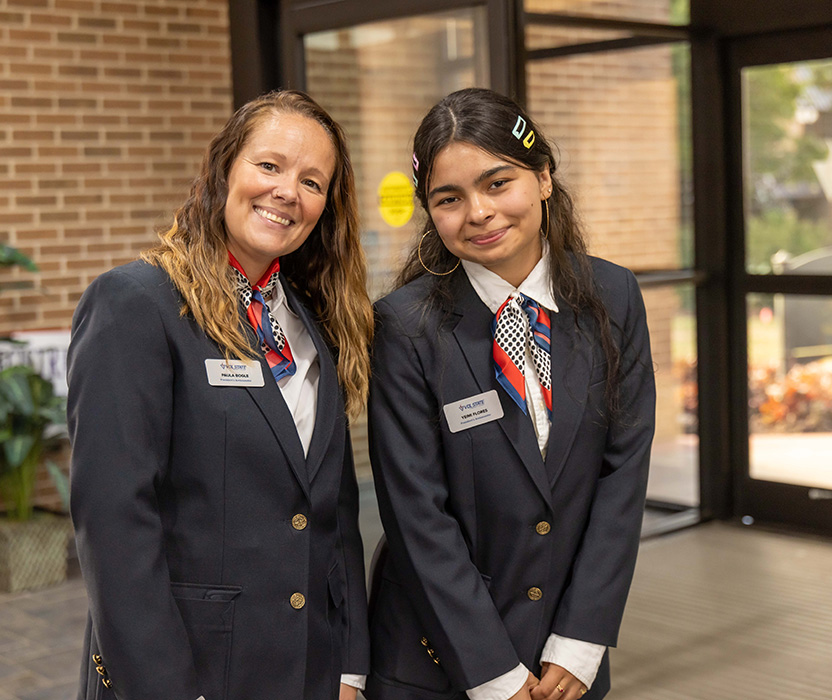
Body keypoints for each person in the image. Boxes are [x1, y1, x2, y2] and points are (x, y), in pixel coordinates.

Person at [68, 90, 372, 700]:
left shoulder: (312, 322)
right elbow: (116, 524)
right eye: (269, 166)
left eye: (313, 181)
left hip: (306, 669)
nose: (289, 191)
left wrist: (348, 667)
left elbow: (332, 516)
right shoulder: (137, 303)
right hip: (189, 672)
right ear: (223, 169)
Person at [365, 88, 655, 700]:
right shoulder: (405, 324)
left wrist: (581, 643)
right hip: (439, 661)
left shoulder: (615, 296)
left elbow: (622, 476)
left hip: (565, 662)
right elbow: (416, 512)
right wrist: (492, 671)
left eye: (498, 183)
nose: (478, 212)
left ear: (544, 177)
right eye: (449, 199)